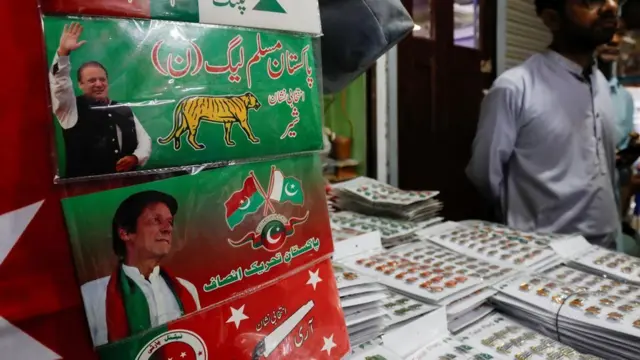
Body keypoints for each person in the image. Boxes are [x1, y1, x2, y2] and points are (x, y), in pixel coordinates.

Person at [466, 0, 621, 248]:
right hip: (543, 253)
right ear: (552, 19)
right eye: (591, 1)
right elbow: (485, 175)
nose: (611, 6)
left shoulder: (600, 82)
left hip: (606, 246)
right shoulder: (516, 88)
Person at [80, 190, 201, 346]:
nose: (168, 229)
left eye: (170, 222)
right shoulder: (91, 296)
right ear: (125, 233)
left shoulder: (186, 289)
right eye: (156, 220)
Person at [48, 22, 151, 178]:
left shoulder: (123, 108)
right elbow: (59, 85)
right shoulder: (69, 108)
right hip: (85, 191)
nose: (98, 84)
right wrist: (63, 54)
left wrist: (136, 158)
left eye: (102, 80)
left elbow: (144, 140)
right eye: (91, 80)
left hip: (125, 184)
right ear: (80, 85)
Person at [596, 17, 640, 253]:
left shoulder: (623, 98)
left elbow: (623, 171)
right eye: (607, 31)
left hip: (611, 213)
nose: (613, 39)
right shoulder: (575, 88)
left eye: (619, 32)